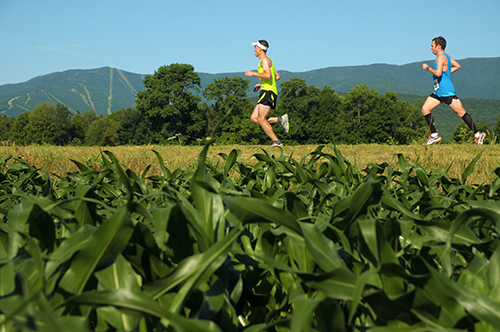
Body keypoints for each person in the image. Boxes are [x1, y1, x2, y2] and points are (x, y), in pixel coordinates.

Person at [421, 36, 486, 145]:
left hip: (446, 92)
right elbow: (457, 66)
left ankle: (478, 134)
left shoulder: (441, 57)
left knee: (461, 113)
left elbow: (438, 73)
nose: (430, 48)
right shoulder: (447, 56)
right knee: (425, 109)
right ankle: (434, 135)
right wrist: (446, 73)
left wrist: (427, 68)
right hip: (438, 92)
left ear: (438, 46)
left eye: (432, 46)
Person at [245, 40, 289, 147]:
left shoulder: (264, 60)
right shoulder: (268, 61)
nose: (254, 50)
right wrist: (260, 84)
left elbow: (268, 75)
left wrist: (253, 73)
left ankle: (277, 142)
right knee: (254, 118)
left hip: (268, 92)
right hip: (266, 90)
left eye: (255, 47)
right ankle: (280, 120)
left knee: (261, 119)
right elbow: (276, 77)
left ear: (260, 49)